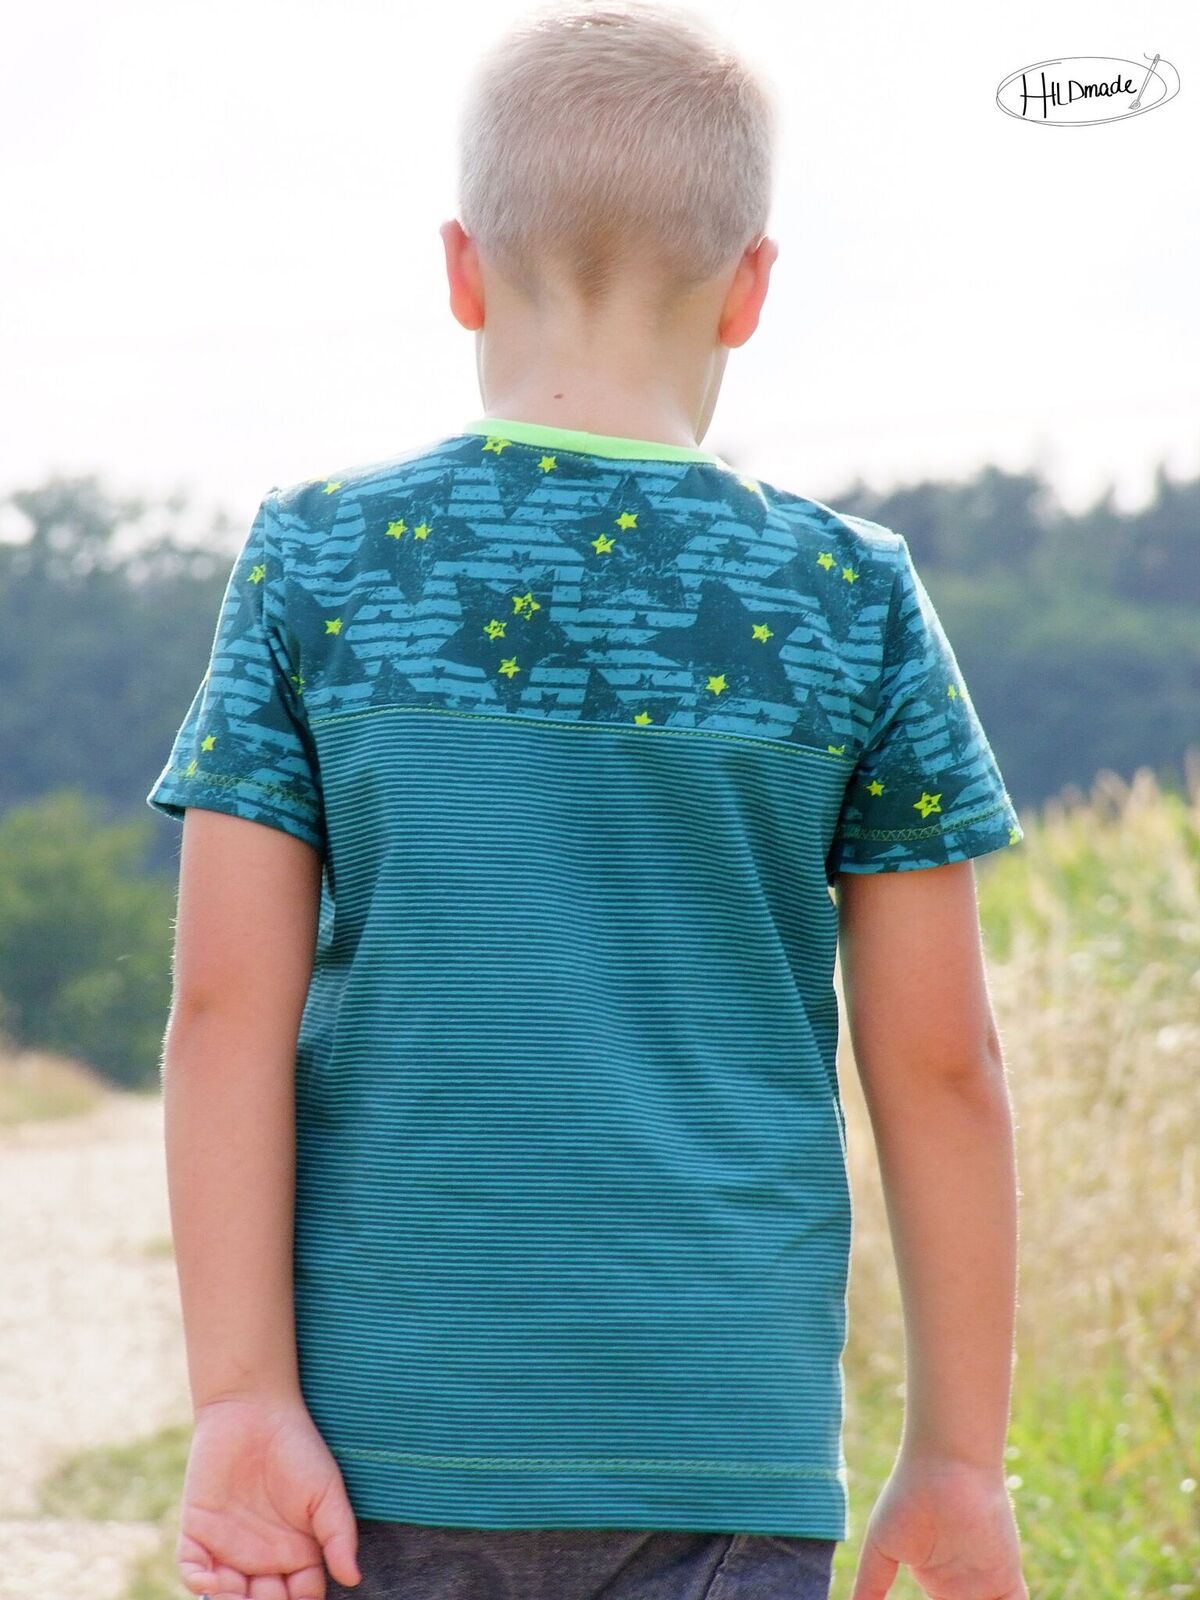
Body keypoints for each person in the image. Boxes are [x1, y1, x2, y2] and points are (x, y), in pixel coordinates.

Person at [146, 2, 1031, 1597]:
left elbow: (222, 1013)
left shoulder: (315, 559)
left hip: (384, 1444)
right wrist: (958, 1462)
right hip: (728, 1451)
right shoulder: (853, 598)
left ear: (461, 269)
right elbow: (943, 1066)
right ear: (751, 287)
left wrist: (241, 1400)